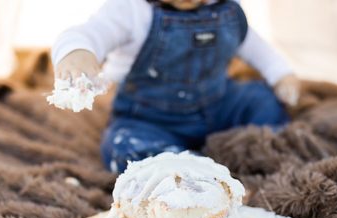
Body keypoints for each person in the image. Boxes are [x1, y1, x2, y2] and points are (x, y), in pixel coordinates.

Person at [52, 0, 302, 173]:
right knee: (122, 145)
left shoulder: (227, 9)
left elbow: (254, 46)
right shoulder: (130, 10)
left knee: (261, 99)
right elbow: (90, 32)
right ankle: (184, 171)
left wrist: (281, 74)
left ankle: (264, 149)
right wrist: (78, 53)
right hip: (151, 119)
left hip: (219, 103)